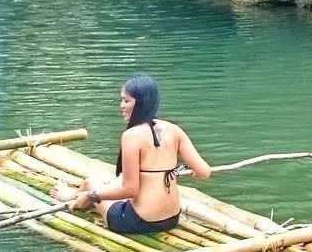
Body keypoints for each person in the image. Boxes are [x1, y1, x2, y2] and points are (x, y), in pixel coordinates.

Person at [51, 74, 211, 235]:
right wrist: (190, 167)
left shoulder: (131, 136)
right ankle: (76, 195)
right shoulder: (174, 130)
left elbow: (130, 190)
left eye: (126, 101)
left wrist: (91, 196)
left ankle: (70, 197)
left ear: (141, 103)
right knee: (94, 183)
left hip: (140, 221)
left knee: (91, 185)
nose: (121, 105)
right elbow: (204, 172)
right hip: (171, 219)